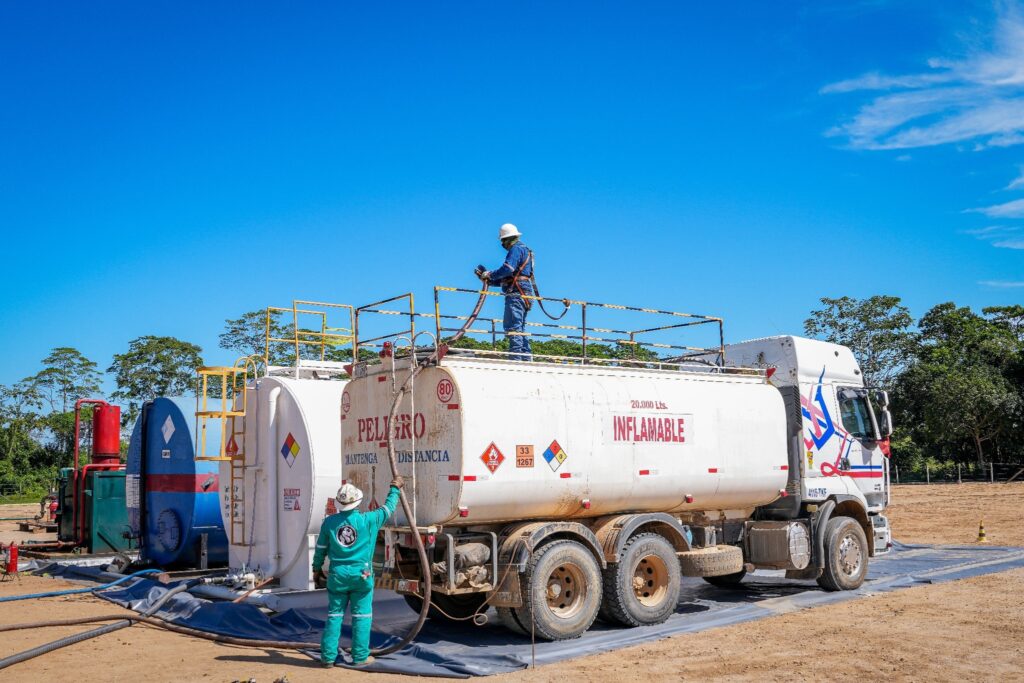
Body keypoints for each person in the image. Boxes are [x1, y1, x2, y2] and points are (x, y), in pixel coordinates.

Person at [313, 476, 403, 668]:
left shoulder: (329, 523)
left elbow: (320, 548)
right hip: (362, 575)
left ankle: (328, 657)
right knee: (361, 616)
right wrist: (395, 487)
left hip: (337, 575)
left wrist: (316, 568)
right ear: (356, 502)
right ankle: (360, 657)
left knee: (334, 615)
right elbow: (388, 508)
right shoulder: (368, 520)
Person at [475, 223, 535, 360]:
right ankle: (526, 359)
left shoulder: (515, 249)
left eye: (503, 241)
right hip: (523, 291)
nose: (502, 244)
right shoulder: (525, 250)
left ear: (508, 239)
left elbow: (507, 269)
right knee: (519, 328)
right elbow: (509, 278)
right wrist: (489, 280)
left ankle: (516, 360)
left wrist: (490, 274)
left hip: (516, 293)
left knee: (513, 327)